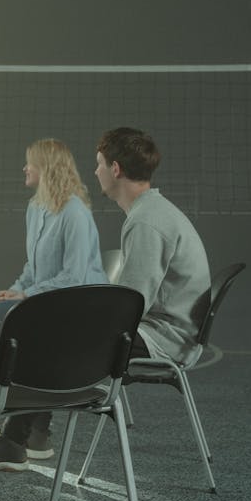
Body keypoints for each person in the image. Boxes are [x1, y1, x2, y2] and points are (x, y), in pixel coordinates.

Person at [0, 138, 108, 472]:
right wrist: (13, 291)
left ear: (46, 168)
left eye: (30, 163)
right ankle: (37, 428)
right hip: (45, 300)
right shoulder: (36, 208)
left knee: (2, 317)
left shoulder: (74, 212)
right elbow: (32, 270)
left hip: (76, 305)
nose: (25, 168)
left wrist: (25, 296)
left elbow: (74, 277)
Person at [92, 126, 211, 365]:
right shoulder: (150, 210)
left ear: (115, 169)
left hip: (166, 339)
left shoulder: (146, 220)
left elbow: (131, 305)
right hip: (165, 330)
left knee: (66, 333)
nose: (96, 172)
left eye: (99, 164)